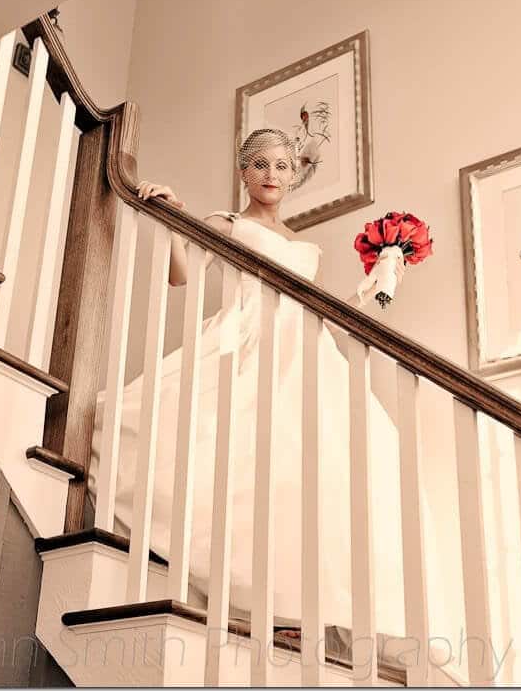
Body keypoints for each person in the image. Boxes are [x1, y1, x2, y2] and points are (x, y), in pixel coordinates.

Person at [87, 128, 416, 661]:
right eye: (259, 165)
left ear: (292, 176)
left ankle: (290, 611)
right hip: (243, 336)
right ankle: (236, 595)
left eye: (283, 167)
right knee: (233, 457)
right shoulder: (228, 224)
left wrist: (387, 269)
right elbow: (181, 276)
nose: (271, 175)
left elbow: (330, 311)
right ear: (243, 172)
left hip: (304, 350)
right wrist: (172, 217)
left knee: (306, 469)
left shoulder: (307, 247)